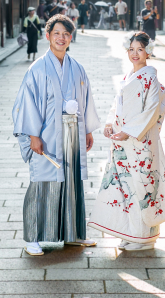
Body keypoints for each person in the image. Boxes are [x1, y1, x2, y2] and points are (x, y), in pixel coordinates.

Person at [12, 14, 101, 256]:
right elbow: (27, 102)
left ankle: (73, 234)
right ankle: (33, 238)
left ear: (71, 37)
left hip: (73, 133)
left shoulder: (77, 68)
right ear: (48, 36)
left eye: (66, 34)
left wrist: (88, 129)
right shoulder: (38, 69)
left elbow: (86, 100)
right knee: (42, 183)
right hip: (47, 135)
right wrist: (32, 135)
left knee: (72, 183)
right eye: (56, 33)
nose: (61, 38)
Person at [88, 31, 165, 251]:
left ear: (148, 52)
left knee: (141, 186)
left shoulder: (150, 77)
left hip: (140, 142)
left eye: (140, 49)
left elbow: (151, 110)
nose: (135, 53)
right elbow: (116, 104)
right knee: (125, 187)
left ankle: (143, 237)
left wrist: (129, 131)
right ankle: (131, 233)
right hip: (124, 139)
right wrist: (111, 123)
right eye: (131, 49)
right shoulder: (128, 76)